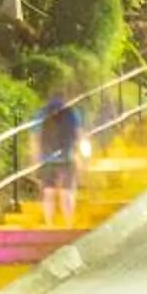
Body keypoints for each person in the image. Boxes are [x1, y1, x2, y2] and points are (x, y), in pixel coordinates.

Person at [38, 89, 83, 226]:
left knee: (48, 193)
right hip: (67, 157)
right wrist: (80, 156)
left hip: (47, 158)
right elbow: (79, 135)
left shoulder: (42, 113)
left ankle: (49, 224)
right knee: (66, 193)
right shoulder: (72, 113)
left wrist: (35, 160)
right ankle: (68, 225)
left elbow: (34, 139)